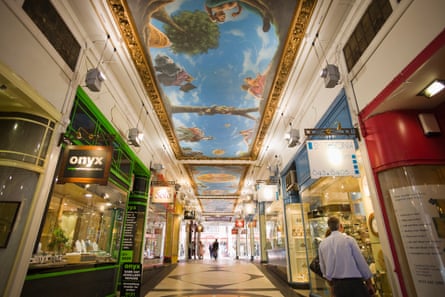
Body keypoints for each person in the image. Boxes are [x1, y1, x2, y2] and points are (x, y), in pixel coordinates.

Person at [318, 216, 375, 297]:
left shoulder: (322, 244)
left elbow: (323, 267)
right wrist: (369, 282)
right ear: (340, 226)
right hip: (355, 284)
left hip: (338, 285)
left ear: (329, 227)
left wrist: (331, 284)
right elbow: (360, 262)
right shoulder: (349, 240)